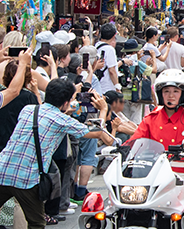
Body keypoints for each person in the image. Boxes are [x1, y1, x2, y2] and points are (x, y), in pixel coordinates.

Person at [0, 79, 114, 229]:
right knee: (36, 223)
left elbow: (47, 116)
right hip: (27, 179)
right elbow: (97, 132)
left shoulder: (28, 109)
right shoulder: (62, 120)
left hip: (3, 169)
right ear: (66, 103)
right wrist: (104, 109)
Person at [96, 23, 122, 94]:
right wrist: (117, 86)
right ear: (114, 35)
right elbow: (111, 70)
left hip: (98, 85)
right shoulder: (110, 49)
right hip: (107, 87)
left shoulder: (96, 45)